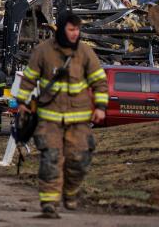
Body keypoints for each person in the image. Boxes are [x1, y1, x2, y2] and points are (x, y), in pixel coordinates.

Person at [17, 13, 108, 219]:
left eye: (77, 30)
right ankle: (49, 203)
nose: (75, 34)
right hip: (50, 120)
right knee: (50, 159)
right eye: (71, 29)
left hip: (79, 121)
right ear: (60, 29)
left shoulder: (85, 52)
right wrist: (22, 103)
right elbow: (29, 79)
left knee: (80, 161)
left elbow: (99, 81)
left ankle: (71, 191)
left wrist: (101, 106)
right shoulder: (43, 51)